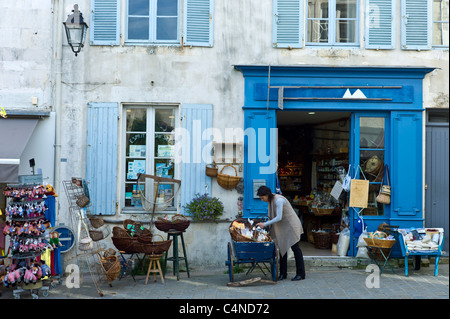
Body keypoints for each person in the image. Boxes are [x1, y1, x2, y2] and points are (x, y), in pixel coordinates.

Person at [256, 185, 305, 281]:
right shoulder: (271, 200)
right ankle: (283, 273)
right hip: (284, 226)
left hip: (291, 225)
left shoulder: (278, 200)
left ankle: (301, 273)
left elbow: (279, 217)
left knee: (296, 249)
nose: (262, 200)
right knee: (283, 249)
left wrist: (264, 224)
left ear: (266, 195)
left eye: (262, 198)